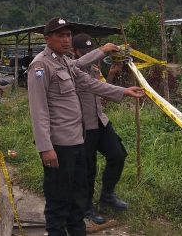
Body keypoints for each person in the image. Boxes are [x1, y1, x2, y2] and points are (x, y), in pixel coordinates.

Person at [27, 18, 144, 236]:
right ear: (47, 39)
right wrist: (45, 147)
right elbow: (38, 110)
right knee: (58, 201)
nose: (66, 39)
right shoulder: (41, 66)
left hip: (78, 141)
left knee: (78, 198)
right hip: (59, 146)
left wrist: (123, 91)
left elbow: (90, 83)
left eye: (68, 35)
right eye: (60, 35)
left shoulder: (65, 62)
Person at [72, 33, 129, 224]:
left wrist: (112, 74)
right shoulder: (71, 68)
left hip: (100, 121)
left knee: (118, 155)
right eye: (85, 51)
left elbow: (103, 91)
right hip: (84, 126)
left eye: (92, 50)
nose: (90, 54)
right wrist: (102, 50)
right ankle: (86, 208)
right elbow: (79, 64)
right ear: (75, 52)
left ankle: (107, 196)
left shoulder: (95, 69)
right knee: (88, 169)